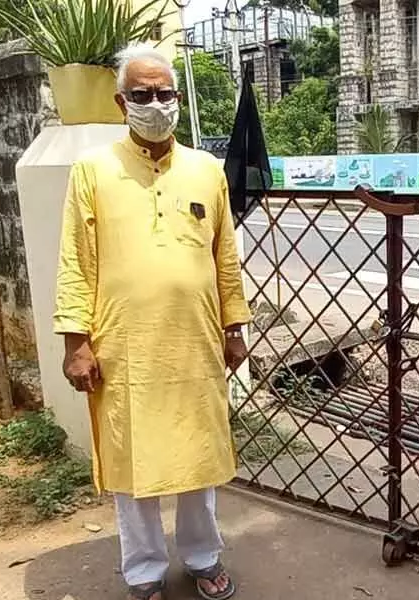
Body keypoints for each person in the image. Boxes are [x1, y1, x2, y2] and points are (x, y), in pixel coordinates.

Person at [54, 44, 251, 600]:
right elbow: (75, 258)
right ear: (122, 102)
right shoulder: (93, 170)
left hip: (194, 343)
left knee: (197, 460)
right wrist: (77, 343)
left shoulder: (206, 170)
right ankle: (142, 571)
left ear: (179, 99)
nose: (156, 103)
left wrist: (234, 327)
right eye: (142, 95)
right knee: (132, 466)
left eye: (165, 93)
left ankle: (203, 557)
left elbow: (225, 256)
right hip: (124, 347)